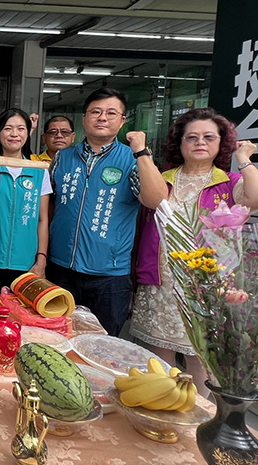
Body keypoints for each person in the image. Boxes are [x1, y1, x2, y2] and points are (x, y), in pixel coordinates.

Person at [131, 108, 258, 386]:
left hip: (207, 283)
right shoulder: (163, 178)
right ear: (179, 143)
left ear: (222, 143)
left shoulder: (229, 182)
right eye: (191, 137)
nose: (200, 142)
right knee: (159, 355)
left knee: (202, 355)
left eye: (209, 137)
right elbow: (152, 200)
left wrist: (243, 159)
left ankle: (198, 408)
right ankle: (165, 401)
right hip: (163, 281)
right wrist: (141, 152)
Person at [46, 87, 167, 337]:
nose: (102, 118)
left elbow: (157, 200)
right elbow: (50, 206)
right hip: (60, 269)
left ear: (122, 121)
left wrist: (141, 152)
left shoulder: (132, 160)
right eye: (96, 112)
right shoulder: (62, 158)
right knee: (55, 341)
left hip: (109, 277)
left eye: (111, 113)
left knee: (102, 346)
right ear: (84, 118)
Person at [0, 109, 52, 309]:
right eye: (8, 128)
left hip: (25, 264)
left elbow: (42, 220)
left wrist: (41, 260)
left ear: (27, 133)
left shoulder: (39, 171)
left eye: (21, 128)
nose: (14, 134)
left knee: (19, 319)